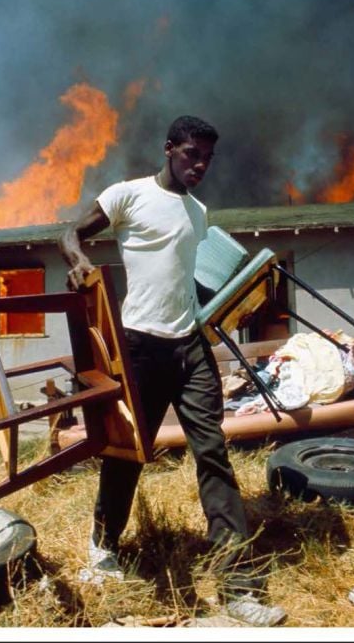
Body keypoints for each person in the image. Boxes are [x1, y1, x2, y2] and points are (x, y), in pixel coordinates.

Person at [59, 115, 286, 626]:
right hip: (140, 348)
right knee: (129, 452)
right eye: (191, 155)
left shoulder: (199, 213)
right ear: (168, 150)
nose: (200, 165)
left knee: (214, 454)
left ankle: (237, 585)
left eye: (207, 157)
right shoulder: (127, 195)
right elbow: (69, 232)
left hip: (190, 348)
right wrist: (77, 261)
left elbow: (193, 279)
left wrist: (236, 301)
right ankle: (104, 545)